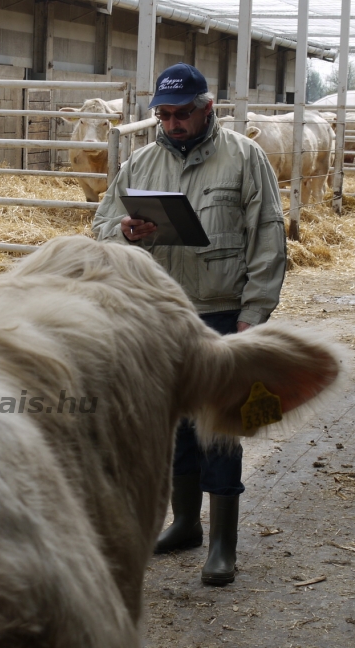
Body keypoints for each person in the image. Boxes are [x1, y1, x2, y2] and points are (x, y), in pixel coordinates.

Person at [92, 63, 287, 586]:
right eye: (164, 114)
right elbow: (102, 224)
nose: (172, 123)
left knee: (221, 426)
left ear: (209, 109)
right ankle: (183, 523)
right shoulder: (140, 162)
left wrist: (255, 314)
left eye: (181, 114)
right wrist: (126, 232)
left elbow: (267, 236)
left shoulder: (245, 158)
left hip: (222, 309)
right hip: (160, 311)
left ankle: (223, 541)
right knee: (173, 421)